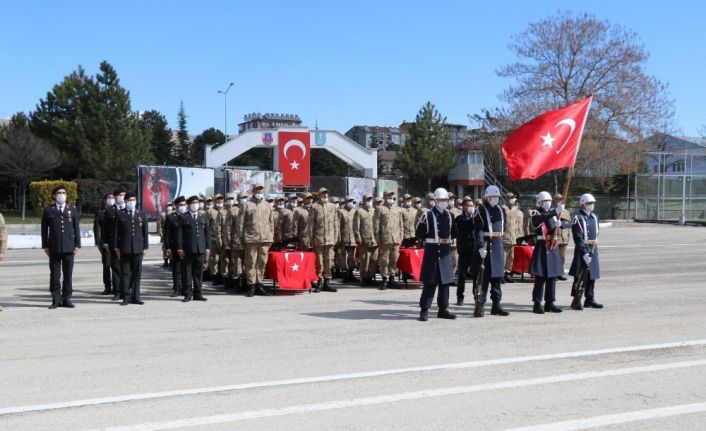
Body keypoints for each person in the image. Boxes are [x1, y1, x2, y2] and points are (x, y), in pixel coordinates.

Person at [417, 188, 457, 321]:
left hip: (445, 252)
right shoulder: (427, 215)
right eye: (441, 200)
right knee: (430, 282)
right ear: (435, 200)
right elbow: (419, 233)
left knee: (445, 283)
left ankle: (443, 309)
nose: (444, 202)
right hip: (432, 252)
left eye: (446, 200)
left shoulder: (450, 216)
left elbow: (455, 233)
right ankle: (424, 309)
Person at [41, 184, 81, 309]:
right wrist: (45, 246)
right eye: (59, 193)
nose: (62, 195)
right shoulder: (49, 210)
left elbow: (76, 228)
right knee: (55, 275)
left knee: (68, 275)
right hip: (54, 248)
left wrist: (77, 244)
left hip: (69, 247)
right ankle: (56, 299)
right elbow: (44, 230)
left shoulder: (72, 209)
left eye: (64, 192)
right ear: (54, 195)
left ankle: (66, 299)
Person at [529, 191, 570, 314]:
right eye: (545, 201)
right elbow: (541, 219)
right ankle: (537, 303)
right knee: (540, 277)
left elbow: (568, 223)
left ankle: (550, 302)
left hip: (553, 247)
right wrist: (554, 211)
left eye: (549, 201)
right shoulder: (536, 213)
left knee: (552, 276)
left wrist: (560, 224)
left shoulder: (553, 214)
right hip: (542, 246)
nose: (547, 203)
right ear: (540, 202)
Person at [472, 185, 509, 317]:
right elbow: (478, 230)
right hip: (486, 247)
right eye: (493, 197)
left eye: (497, 197)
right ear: (487, 197)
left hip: (497, 246)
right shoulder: (480, 209)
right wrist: (481, 246)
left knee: (497, 279)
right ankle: (480, 305)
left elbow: (504, 228)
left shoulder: (501, 210)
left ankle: (496, 305)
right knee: (482, 279)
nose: (495, 199)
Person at [112, 192, 149, 306]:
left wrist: (145, 247)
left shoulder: (141, 214)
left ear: (136, 201)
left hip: (138, 248)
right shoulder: (120, 214)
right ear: (125, 201)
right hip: (124, 248)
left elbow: (145, 233)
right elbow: (116, 232)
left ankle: (136, 296)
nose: (131, 202)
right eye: (129, 200)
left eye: (133, 200)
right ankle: (126, 296)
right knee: (125, 273)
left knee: (137, 274)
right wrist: (116, 247)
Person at [569, 193, 603, 310]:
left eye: (592, 203)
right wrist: (584, 253)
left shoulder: (595, 217)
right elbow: (578, 238)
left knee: (591, 275)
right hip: (581, 250)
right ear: (583, 204)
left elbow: (596, 233)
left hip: (593, 249)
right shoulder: (577, 218)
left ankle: (590, 298)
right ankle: (577, 300)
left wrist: (591, 251)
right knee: (579, 277)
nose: (591, 205)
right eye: (589, 203)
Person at [241, 185, 274, 297]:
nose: (259, 191)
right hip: (251, 238)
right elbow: (241, 223)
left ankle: (259, 284)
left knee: (262, 263)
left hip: (265, 239)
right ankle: (251, 286)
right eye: (257, 190)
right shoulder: (247, 205)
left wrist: (271, 237)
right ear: (253, 191)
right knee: (250, 263)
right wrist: (242, 238)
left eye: (260, 190)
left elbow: (271, 222)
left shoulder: (267, 205)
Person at [178, 195, 210, 302]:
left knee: (198, 272)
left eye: (196, 202)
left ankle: (198, 293)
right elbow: (180, 234)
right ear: (189, 204)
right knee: (187, 273)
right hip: (188, 250)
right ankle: (188, 294)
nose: (195, 204)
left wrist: (208, 248)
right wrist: (180, 248)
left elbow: (207, 233)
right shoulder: (183, 217)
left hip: (200, 249)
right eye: (193, 203)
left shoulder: (203, 216)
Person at [307, 187, 340, 292]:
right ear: (319, 195)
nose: (325, 195)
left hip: (330, 239)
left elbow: (336, 223)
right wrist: (311, 238)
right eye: (323, 193)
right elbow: (311, 224)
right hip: (319, 239)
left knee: (329, 261)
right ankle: (319, 282)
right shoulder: (314, 207)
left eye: (326, 193)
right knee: (319, 262)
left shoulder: (332, 206)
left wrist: (335, 237)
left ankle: (327, 282)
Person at [373, 190, 404, 290]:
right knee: (384, 260)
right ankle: (384, 280)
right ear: (385, 196)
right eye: (389, 195)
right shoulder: (380, 209)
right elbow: (376, 226)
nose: (391, 197)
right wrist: (378, 239)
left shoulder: (398, 209)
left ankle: (392, 279)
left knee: (394, 259)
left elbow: (401, 225)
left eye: (392, 195)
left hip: (396, 239)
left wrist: (401, 237)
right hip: (385, 239)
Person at [103, 188, 127, 300]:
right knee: (116, 268)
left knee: (127, 269)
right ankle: (117, 292)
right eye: (120, 195)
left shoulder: (129, 210)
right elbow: (105, 229)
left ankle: (127, 290)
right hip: (114, 243)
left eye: (124, 195)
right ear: (116, 196)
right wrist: (106, 243)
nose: (122, 197)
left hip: (127, 243)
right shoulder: (109, 210)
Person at [454, 196, 476, 306]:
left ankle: (476, 295)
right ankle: (460, 296)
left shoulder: (476, 217)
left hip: (474, 249)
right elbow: (466, 227)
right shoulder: (459, 218)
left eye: (472, 206)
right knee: (462, 275)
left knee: (476, 274)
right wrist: (473, 218)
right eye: (469, 206)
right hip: (464, 250)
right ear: (463, 207)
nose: (471, 208)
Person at [354, 193, 376, 286]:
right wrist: (358, 239)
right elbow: (356, 227)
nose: (369, 202)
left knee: (373, 259)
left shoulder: (374, 211)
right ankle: (364, 277)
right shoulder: (359, 211)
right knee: (365, 260)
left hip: (374, 240)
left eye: (370, 200)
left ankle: (371, 276)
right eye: (367, 200)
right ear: (363, 201)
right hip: (364, 239)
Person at [94, 193, 114, 295]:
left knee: (116, 265)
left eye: (112, 198)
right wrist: (98, 242)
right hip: (105, 242)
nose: (111, 199)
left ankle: (117, 286)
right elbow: (96, 227)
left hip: (115, 242)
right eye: (108, 198)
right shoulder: (100, 211)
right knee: (106, 265)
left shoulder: (118, 210)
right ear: (105, 199)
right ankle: (107, 286)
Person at [165, 197, 185, 297]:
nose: (183, 207)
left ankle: (186, 289)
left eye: (184, 205)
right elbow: (167, 234)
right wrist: (168, 248)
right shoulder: (171, 217)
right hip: (175, 246)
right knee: (176, 269)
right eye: (181, 205)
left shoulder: (188, 216)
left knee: (186, 269)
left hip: (187, 246)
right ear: (176, 205)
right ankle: (177, 289)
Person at [502, 192, 525, 284]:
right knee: (503, 258)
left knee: (511, 257)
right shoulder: (503, 209)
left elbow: (518, 225)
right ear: (506, 199)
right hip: (504, 237)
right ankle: (501, 274)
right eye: (511, 198)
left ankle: (507, 273)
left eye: (514, 198)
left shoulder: (516, 210)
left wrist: (520, 237)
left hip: (512, 237)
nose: (513, 199)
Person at [338, 196, 358, 282]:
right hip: (344, 237)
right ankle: (344, 274)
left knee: (352, 257)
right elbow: (337, 226)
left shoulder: (355, 211)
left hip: (353, 238)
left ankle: (351, 273)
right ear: (345, 202)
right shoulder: (341, 211)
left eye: (351, 201)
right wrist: (338, 237)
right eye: (349, 201)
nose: (350, 203)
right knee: (343, 257)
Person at [554, 193, 572, 281]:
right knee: (555, 257)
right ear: (554, 200)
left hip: (564, 237)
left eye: (560, 199)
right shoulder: (553, 210)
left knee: (562, 257)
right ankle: (554, 274)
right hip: (556, 237)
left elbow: (569, 224)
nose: (559, 201)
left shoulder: (566, 212)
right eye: (557, 199)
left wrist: (568, 235)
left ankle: (560, 273)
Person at [157, 204, 171, 268]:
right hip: (165, 234)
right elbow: (159, 225)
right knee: (165, 248)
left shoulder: (173, 214)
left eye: (170, 205)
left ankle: (171, 261)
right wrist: (161, 234)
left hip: (172, 234)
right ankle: (165, 261)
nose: (169, 207)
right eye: (168, 205)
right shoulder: (162, 214)